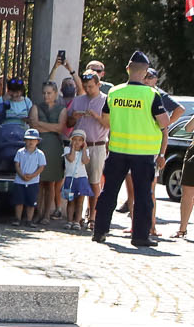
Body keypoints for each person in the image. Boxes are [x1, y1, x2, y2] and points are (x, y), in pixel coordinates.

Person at [93, 50, 175, 249]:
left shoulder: (115, 92)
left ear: (128, 69)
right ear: (145, 72)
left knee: (108, 192)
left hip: (117, 150)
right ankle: (139, 236)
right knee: (143, 196)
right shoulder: (151, 94)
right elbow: (164, 122)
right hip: (143, 154)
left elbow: (105, 120)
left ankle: (99, 231)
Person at [62, 70, 109, 220]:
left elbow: (109, 124)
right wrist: (73, 118)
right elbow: (68, 123)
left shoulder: (106, 100)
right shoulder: (78, 100)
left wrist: (96, 116)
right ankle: (76, 216)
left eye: (91, 86)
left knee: (94, 182)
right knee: (76, 180)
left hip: (96, 145)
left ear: (98, 84)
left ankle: (93, 216)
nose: (88, 90)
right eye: (85, 86)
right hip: (77, 147)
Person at [30, 80, 66, 224]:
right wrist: (51, 126)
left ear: (55, 93)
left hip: (54, 146)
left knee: (50, 182)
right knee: (38, 181)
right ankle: (38, 212)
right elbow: (33, 126)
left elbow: (60, 128)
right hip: (39, 144)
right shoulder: (36, 107)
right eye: (44, 93)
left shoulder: (62, 109)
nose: (46, 96)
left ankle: (46, 214)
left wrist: (41, 124)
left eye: (49, 93)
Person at [10, 129, 45, 225]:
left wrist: (33, 175)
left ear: (37, 141)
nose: (31, 142)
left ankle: (29, 220)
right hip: (20, 180)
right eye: (28, 139)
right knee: (19, 201)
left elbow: (41, 167)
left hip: (33, 181)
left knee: (31, 202)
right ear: (25, 140)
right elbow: (17, 164)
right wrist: (21, 175)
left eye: (33, 140)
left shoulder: (40, 154)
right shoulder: (20, 152)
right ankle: (17, 219)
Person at [62, 132, 92, 230]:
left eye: (80, 140)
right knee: (70, 201)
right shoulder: (67, 150)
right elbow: (71, 159)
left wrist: (84, 149)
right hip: (70, 178)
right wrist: (73, 148)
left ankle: (77, 221)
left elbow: (85, 161)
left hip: (81, 178)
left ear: (83, 142)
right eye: (75, 139)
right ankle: (69, 220)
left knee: (80, 202)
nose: (77, 142)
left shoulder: (85, 151)